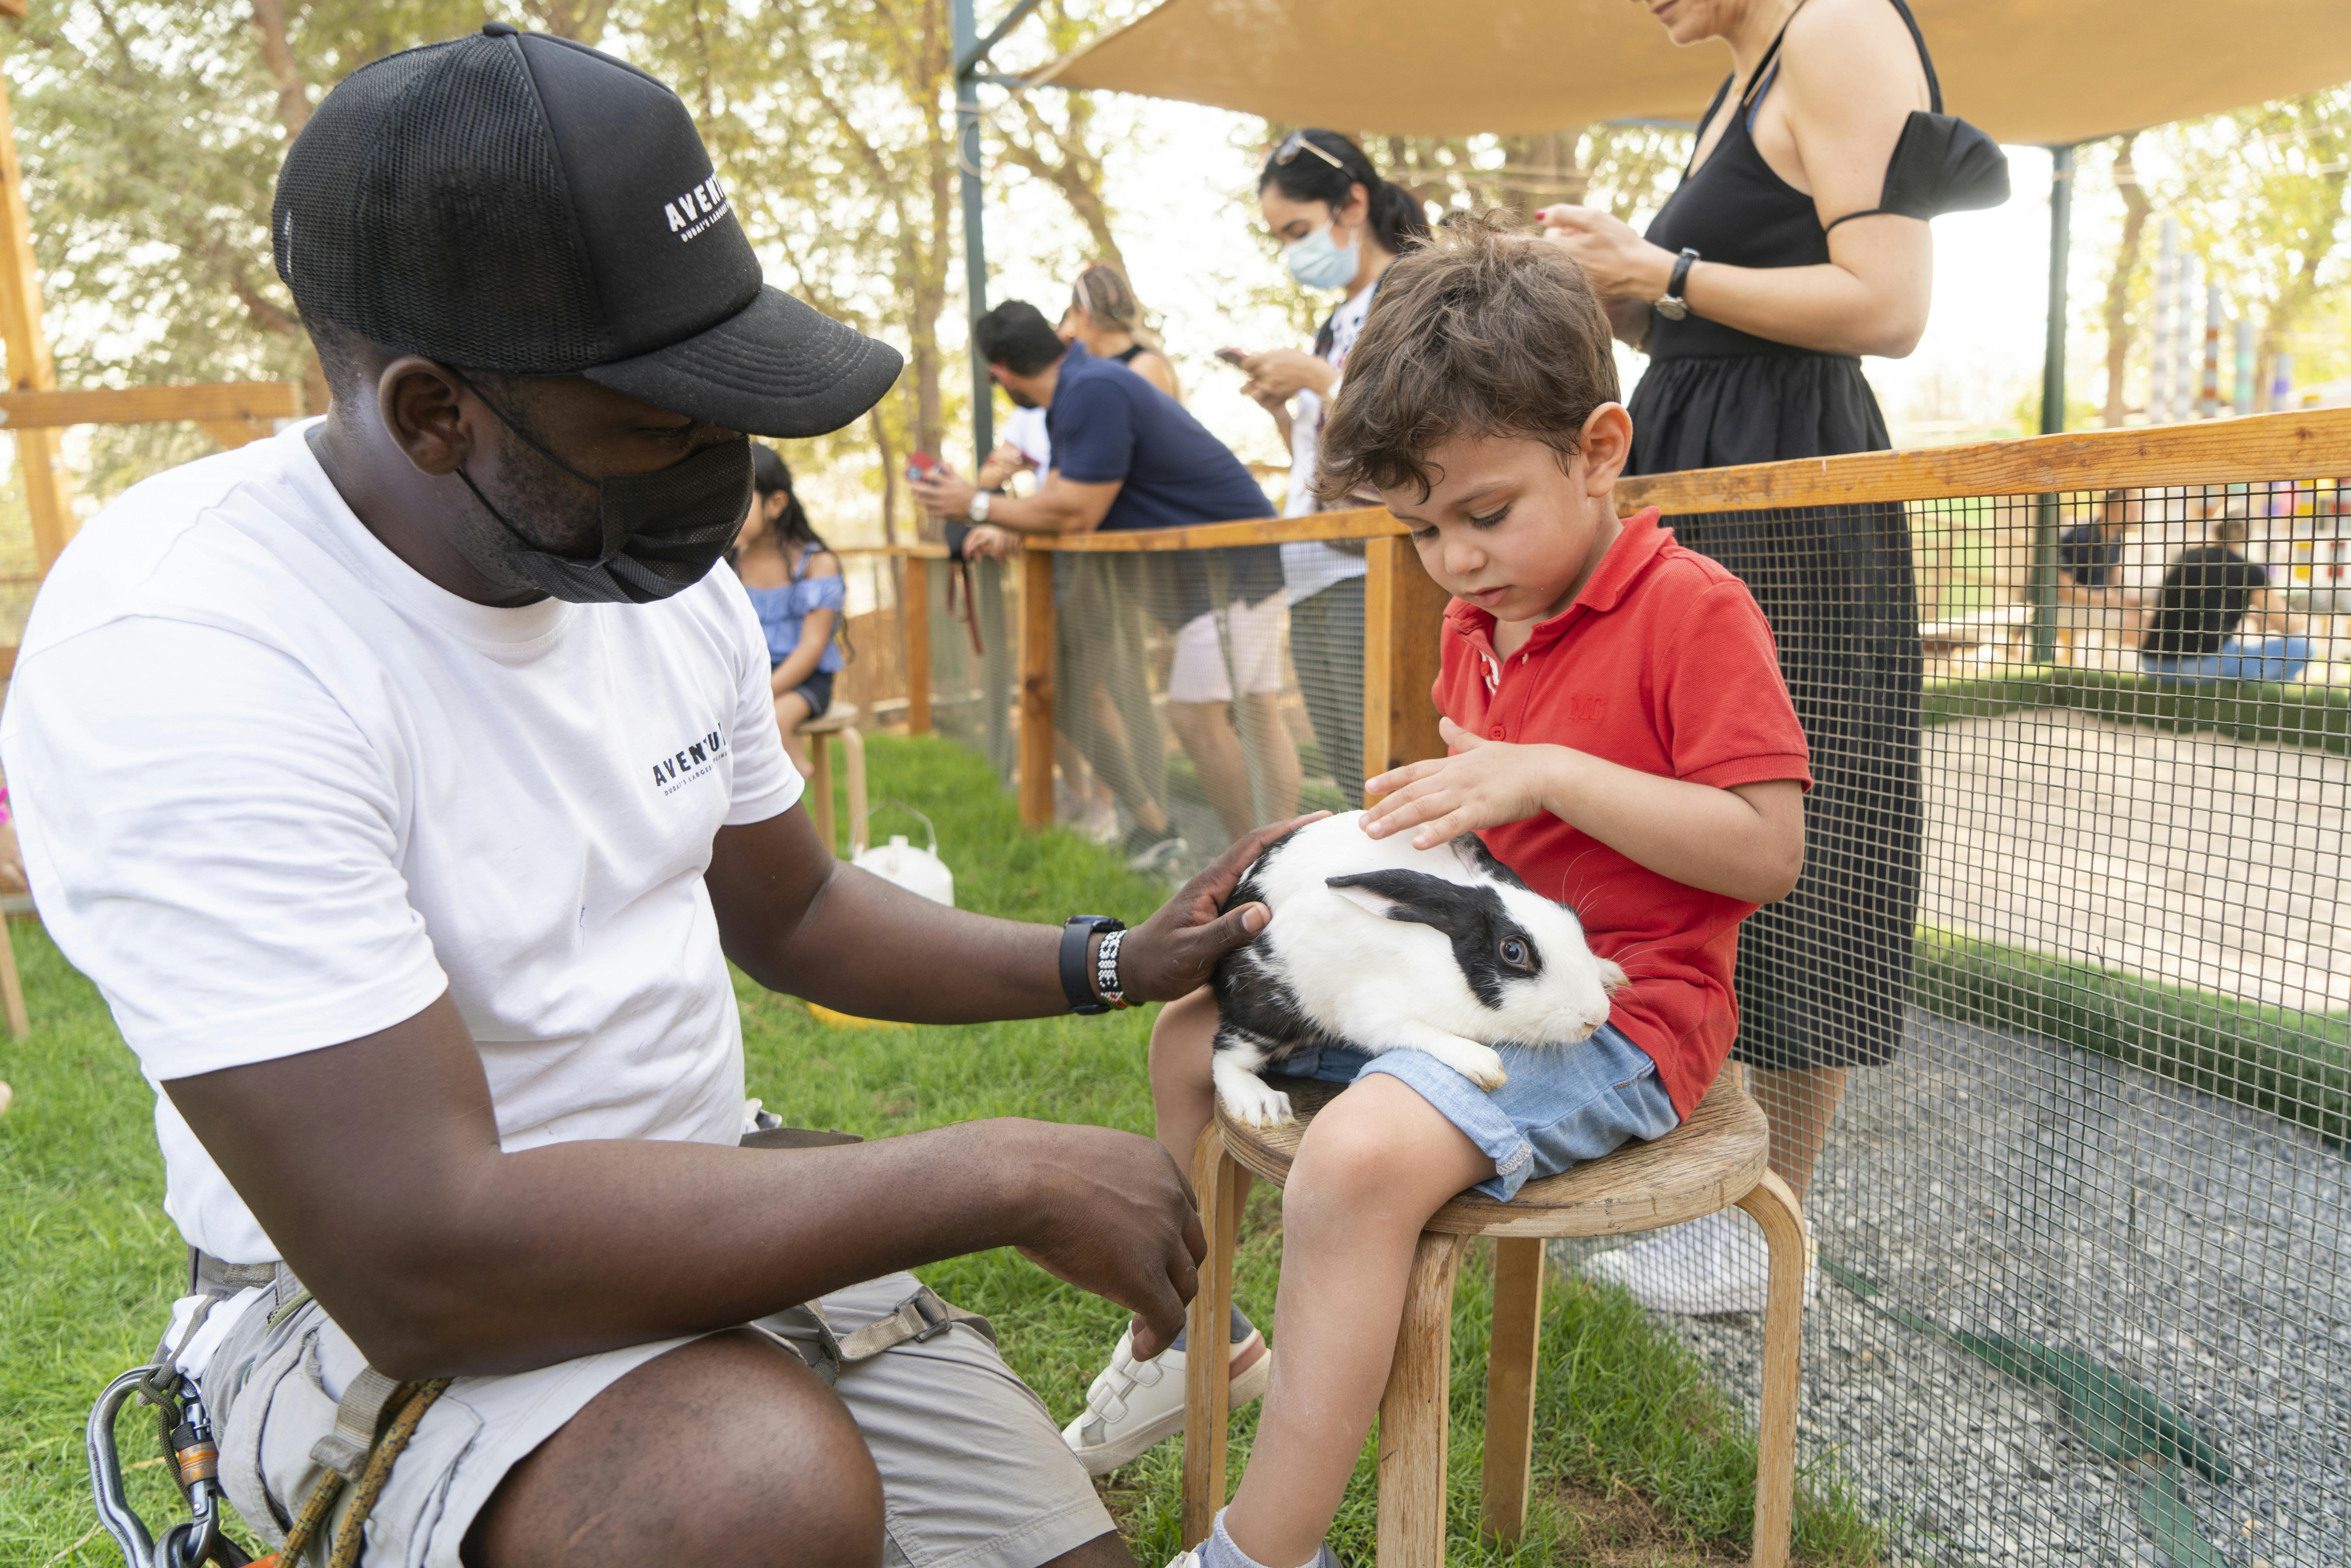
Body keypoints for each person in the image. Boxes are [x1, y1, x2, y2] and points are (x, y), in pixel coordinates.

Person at [0, 29, 1291, 1568]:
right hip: (362, 1299)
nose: (725, 470)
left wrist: (1103, 961)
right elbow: (423, 1256)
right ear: (434, 413)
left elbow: (796, 904)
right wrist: (990, 1171)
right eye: (664, 422)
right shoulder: (194, 644)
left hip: (714, 1187)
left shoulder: (634, 567)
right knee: (750, 1491)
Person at [1066, 224, 1810, 1563]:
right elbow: (1462, 855)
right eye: (1420, 530)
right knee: (1189, 1038)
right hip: (1450, 984)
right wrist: (1335, 843)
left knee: (1351, 1167)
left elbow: (1767, 850)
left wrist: (1555, 774)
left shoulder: (1693, 611)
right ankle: (1190, 1344)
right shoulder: (1482, 622)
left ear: (1598, 447)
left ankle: (1265, 1548)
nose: (1456, 562)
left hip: (1621, 1017)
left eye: (1485, 514)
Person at [1536, 0, 1970, 1314]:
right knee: (1677, 819)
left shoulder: (1838, 27)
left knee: (1795, 828)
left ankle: (1762, 1223)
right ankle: (1700, 1188)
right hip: (1705, 473)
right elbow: (1722, 321)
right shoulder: (1735, 76)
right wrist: (1615, 289)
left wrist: (1657, 271)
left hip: (1791, 492)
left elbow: (1886, 304)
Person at [915, 303, 1303, 846]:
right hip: (1229, 568)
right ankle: (1277, 856)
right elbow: (1061, 499)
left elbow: (1075, 510)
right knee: (1256, 712)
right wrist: (1012, 521)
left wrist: (976, 505)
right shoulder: (1080, 388)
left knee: (1196, 717)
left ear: (999, 372)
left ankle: (1254, 865)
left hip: (1227, 568)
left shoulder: (1092, 388)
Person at [1226, 130, 1431, 806]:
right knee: (1351, 773)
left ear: (1352, 205)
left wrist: (1318, 376)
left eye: (1298, 229)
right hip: (1315, 560)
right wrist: (1287, 410)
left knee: (1391, 766)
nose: (1293, 252)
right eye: (1280, 237)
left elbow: (1417, 422)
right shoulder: (1336, 318)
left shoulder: (1413, 292)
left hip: (1376, 559)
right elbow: (1324, 457)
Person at [735, 443, 843, 777]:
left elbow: (812, 648)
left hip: (805, 680)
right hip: (748, 680)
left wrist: (759, 695)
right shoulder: (728, 564)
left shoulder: (817, 565)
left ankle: (796, 791)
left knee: (775, 719)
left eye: (738, 499)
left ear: (776, 504)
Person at [2140, 513, 2311, 683]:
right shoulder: (2248, 570)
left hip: (2154, 666)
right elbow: (2290, 626)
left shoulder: (2186, 557)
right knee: (2301, 647)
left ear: (2214, 530)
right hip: (2202, 666)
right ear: (2248, 536)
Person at [2054, 488, 2143, 665]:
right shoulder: (2079, 536)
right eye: (2129, 507)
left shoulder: (2116, 536)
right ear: (2107, 508)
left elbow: (2114, 573)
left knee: (2146, 617)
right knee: (2138, 625)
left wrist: (2127, 598)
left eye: (2137, 508)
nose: (2135, 514)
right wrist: (2112, 601)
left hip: (2096, 603)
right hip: (2065, 607)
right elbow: (2065, 591)